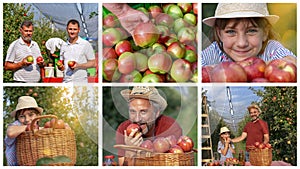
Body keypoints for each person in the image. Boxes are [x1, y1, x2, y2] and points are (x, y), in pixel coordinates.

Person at [201, 3, 296, 66]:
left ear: (265, 33)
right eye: (231, 32)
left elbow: (292, 63)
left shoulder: (271, 48)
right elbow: (196, 68)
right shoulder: (216, 51)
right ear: (219, 34)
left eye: (251, 31)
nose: (241, 43)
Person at [115, 86, 183, 166]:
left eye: (143, 112)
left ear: (156, 113)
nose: (137, 119)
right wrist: (130, 150)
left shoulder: (170, 128)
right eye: (132, 111)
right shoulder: (123, 130)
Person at [4, 96, 43, 166]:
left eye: (31, 115)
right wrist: (27, 127)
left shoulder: (38, 128)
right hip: (16, 164)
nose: (27, 120)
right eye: (22, 116)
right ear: (18, 118)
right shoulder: (18, 124)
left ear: (38, 117)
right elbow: (10, 132)